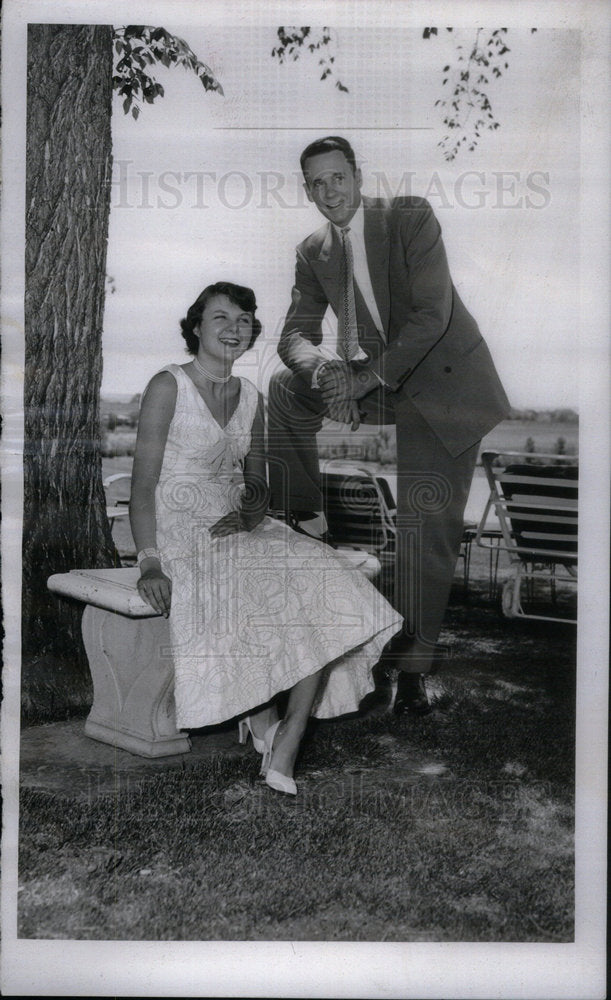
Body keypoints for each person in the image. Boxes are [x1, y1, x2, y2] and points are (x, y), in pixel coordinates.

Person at [129, 281, 402, 796]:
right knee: (275, 588)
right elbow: (143, 487)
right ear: (195, 327)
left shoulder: (250, 395)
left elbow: (257, 481)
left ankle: (287, 733)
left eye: (244, 320)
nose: (234, 329)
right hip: (178, 529)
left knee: (325, 581)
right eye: (221, 318)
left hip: (235, 523)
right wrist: (149, 562)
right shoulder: (168, 386)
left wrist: (253, 514)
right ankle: (270, 725)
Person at [268, 136, 510, 715]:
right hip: (377, 383)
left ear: (358, 174)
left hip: (444, 388)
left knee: (427, 528)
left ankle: (411, 677)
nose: (329, 193)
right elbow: (293, 336)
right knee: (284, 387)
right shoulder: (312, 250)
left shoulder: (407, 216)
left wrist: (363, 381)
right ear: (307, 190)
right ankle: (299, 515)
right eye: (316, 184)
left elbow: (432, 316)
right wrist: (327, 373)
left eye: (337, 178)